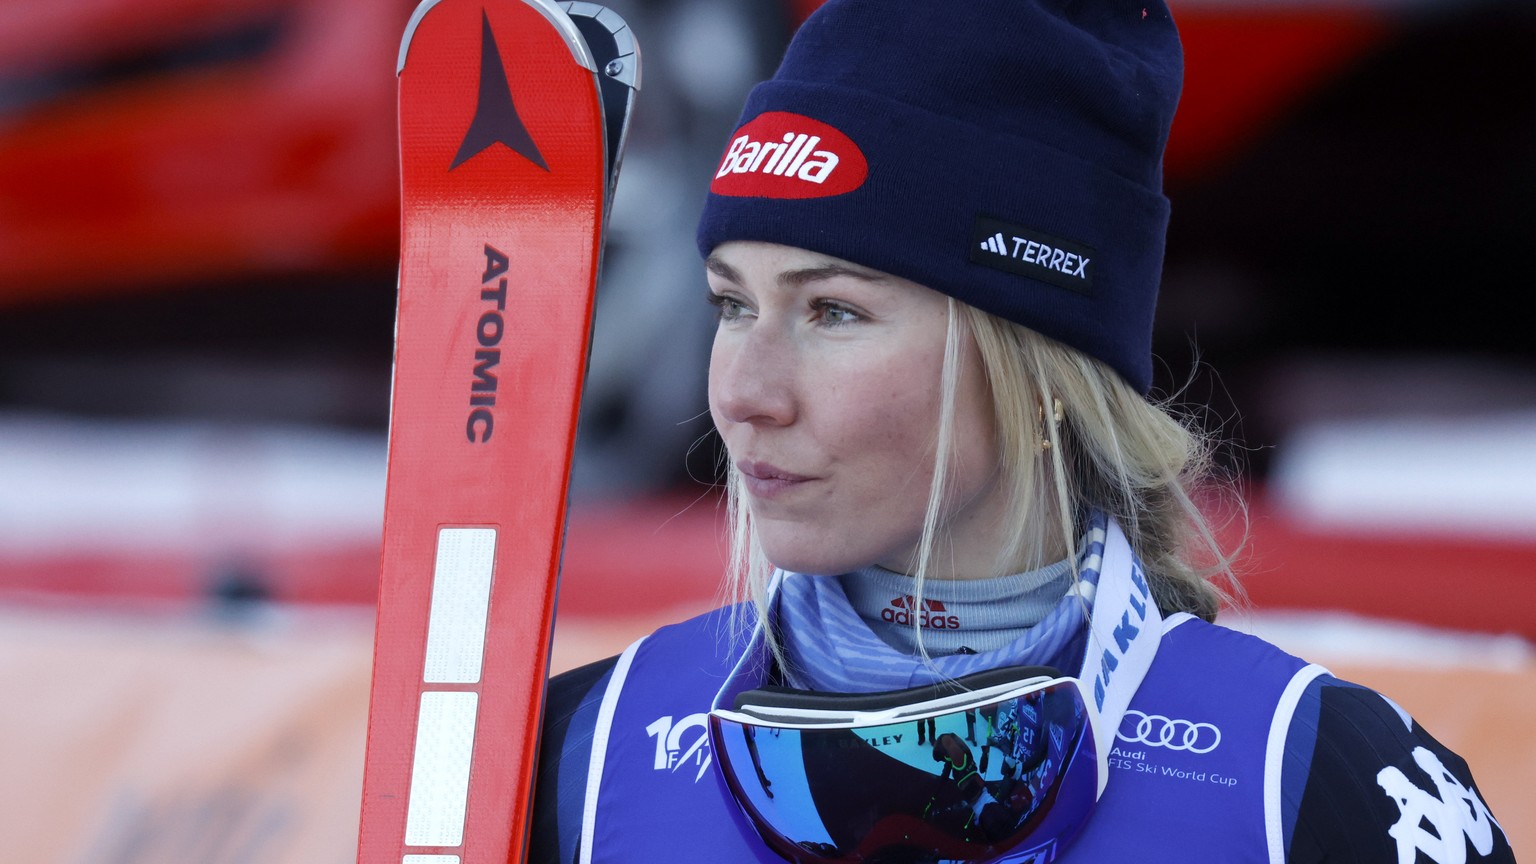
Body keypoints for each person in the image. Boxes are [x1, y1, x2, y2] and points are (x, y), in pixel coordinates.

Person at [530, 0, 1516, 861]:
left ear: (1036, 364)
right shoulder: (586, 759)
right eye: (731, 305)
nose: (743, 393)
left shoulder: (1308, 782)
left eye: (834, 311)